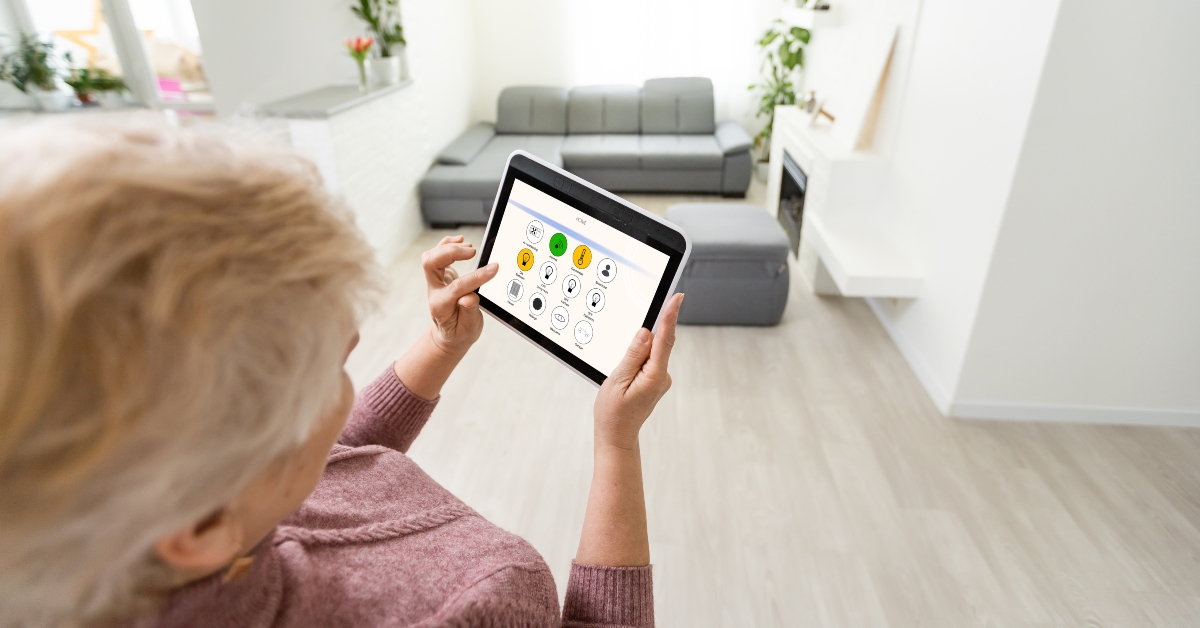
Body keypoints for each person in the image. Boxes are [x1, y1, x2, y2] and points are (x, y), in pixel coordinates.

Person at [0, 117, 683, 628]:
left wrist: (442, 345)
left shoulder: (166, 519)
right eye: (324, 370)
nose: (356, 340)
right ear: (202, 524)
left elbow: (331, 465)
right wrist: (616, 442)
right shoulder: (468, 607)